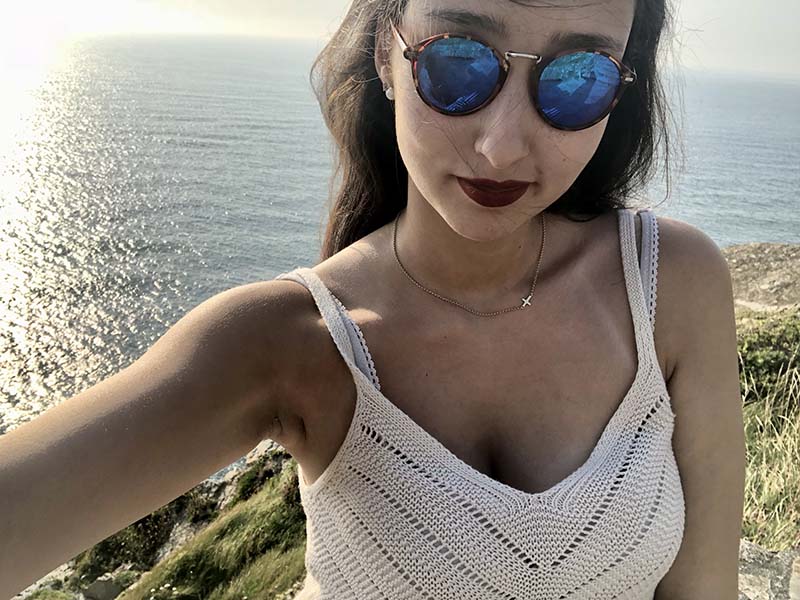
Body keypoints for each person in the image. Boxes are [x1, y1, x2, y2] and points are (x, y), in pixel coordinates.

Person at [0, 0, 745, 598]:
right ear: (387, 53)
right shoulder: (289, 344)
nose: (502, 146)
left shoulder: (669, 286)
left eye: (579, 78)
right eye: (458, 61)